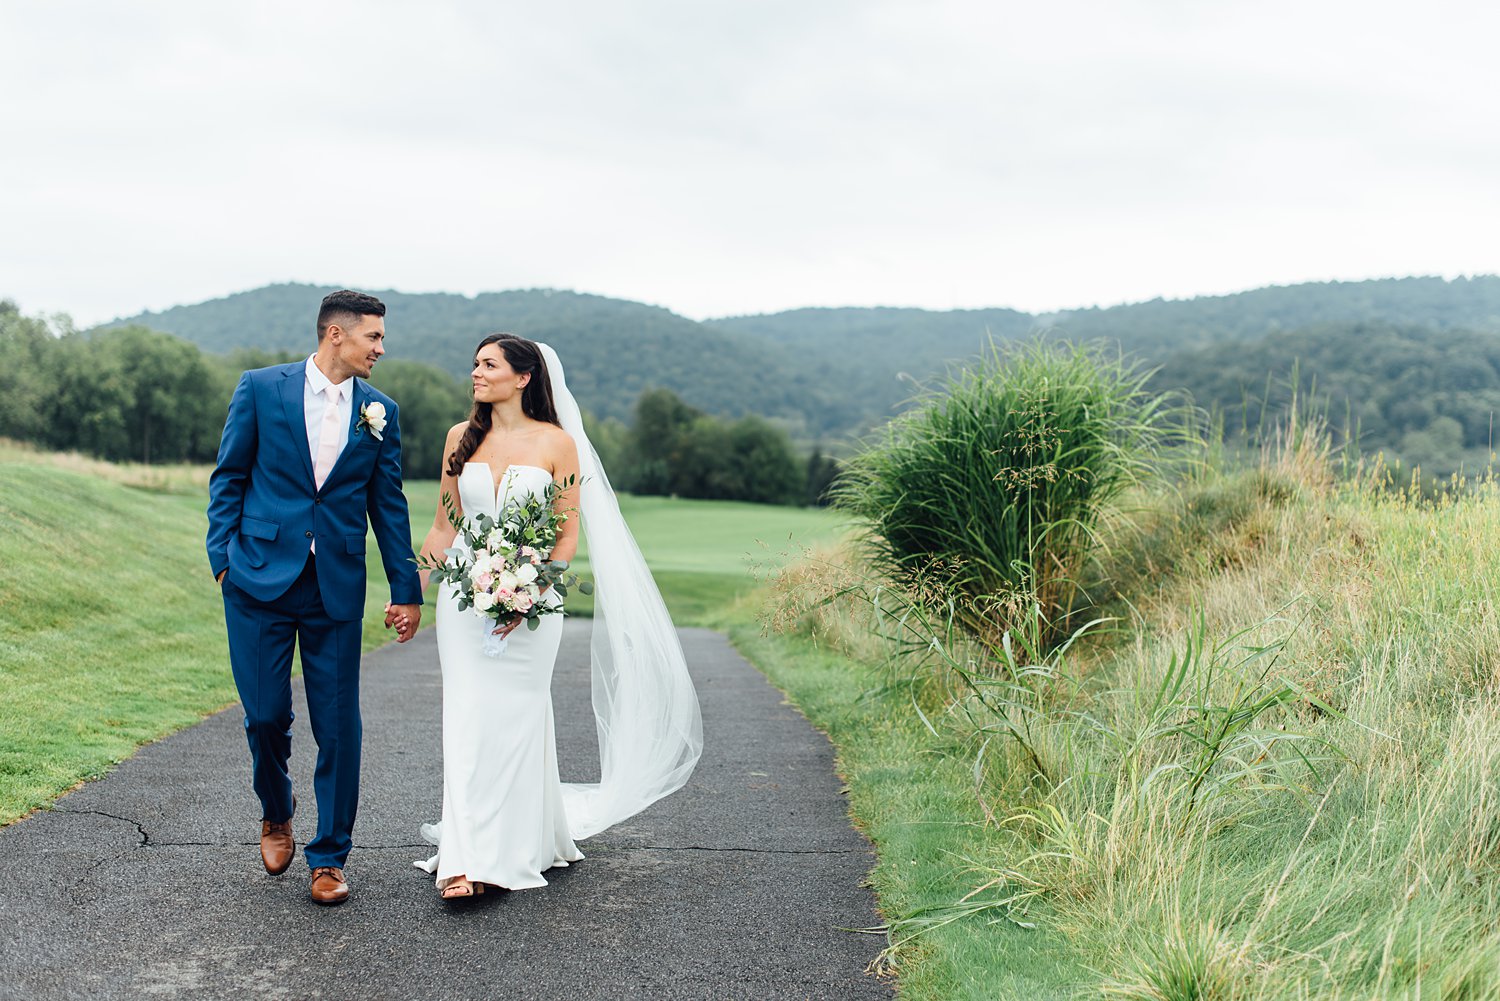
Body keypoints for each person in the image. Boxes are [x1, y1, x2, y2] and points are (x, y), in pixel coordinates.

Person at [403, 334, 703, 899]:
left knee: (519, 718)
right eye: (475, 364)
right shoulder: (459, 437)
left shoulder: (557, 443)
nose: (476, 372)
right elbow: (444, 527)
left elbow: (565, 536)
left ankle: (517, 844)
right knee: (466, 717)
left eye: (489, 364)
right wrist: (410, 593)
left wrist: (532, 591)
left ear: (523, 377)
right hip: (464, 600)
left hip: (533, 602)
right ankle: (466, 859)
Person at [206, 289, 423, 906]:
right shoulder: (260, 388)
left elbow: (388, 504)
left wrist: (405, 589)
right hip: (257, 579)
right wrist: (222, 561)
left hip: (336, 586)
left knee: (339, 726)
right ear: (336, 334)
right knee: (265, 716)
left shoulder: (381, 411)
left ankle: (329, 856)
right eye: (373, 337)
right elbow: (229, 476)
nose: (381, 349)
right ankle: (276, 811)